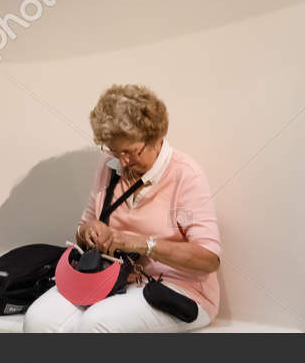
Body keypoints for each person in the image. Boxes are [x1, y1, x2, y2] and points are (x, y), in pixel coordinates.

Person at [24, 85, 220, 333]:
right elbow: (83, 226)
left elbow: (209, 259)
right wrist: (89, 232)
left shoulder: (186, 175)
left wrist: (139, 243)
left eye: (130, 151)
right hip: (113, 278)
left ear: (155, 138)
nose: (123, 161)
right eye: (114, 151)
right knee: (38, 320)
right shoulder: (110, 164)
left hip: (177, 289)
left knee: (96, 324)